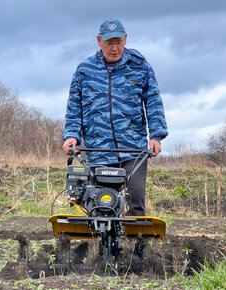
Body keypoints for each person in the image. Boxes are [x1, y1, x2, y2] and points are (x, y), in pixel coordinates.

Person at [62, 19, 168, 216]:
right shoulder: (84, 71)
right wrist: (71, 136)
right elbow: (74, 107)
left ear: (125, 39)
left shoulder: (140, 67)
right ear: (99, 41)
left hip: (132, 149)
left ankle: (135, 246)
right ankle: (98, 246)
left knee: (135, 199)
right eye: (110, 43)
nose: (115, 48)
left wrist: (156, 136)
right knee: (98, 204)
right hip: (98, 148)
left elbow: (153, 101)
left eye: (118, 42)